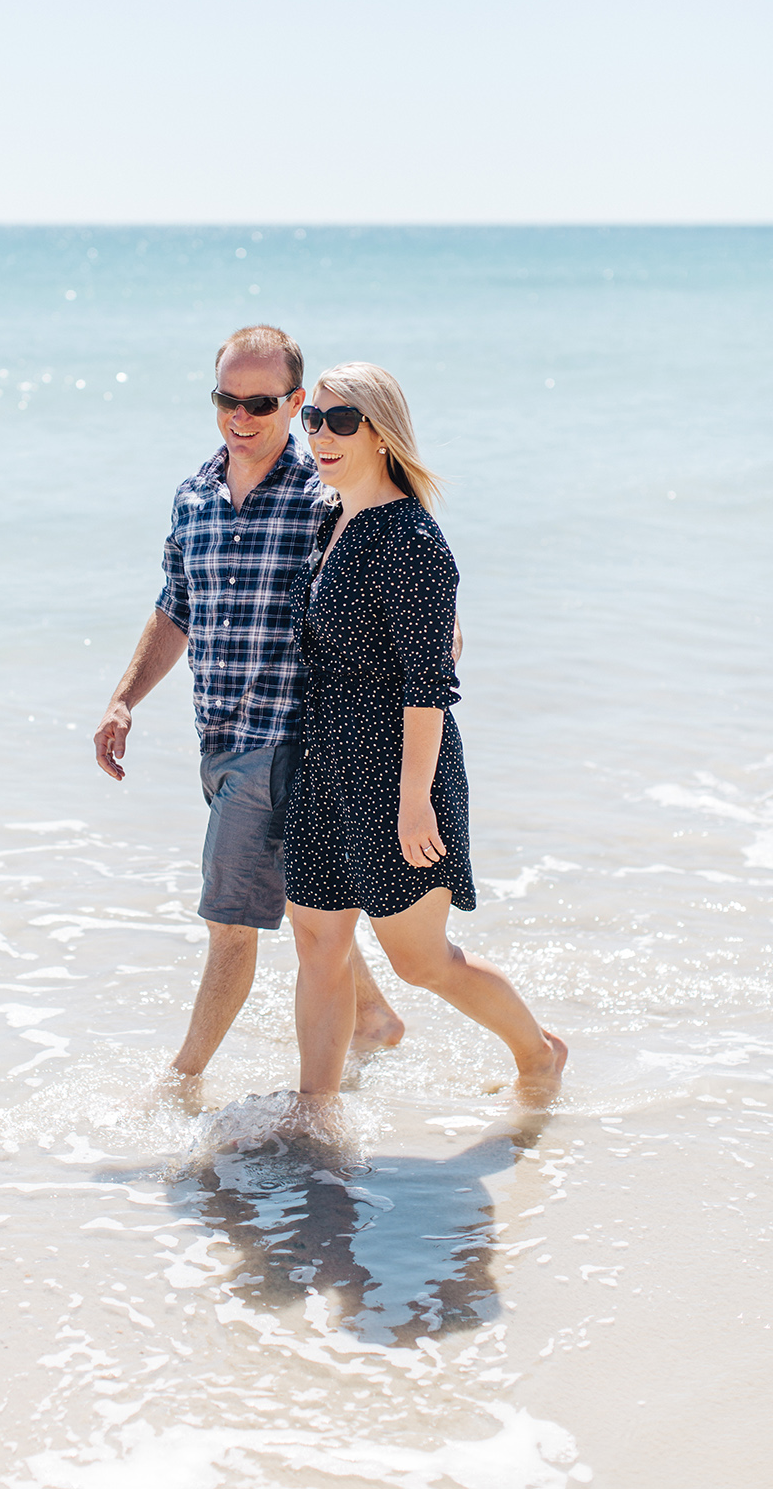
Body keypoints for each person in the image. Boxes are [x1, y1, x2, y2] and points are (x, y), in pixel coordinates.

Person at [93, 326, 405, 1080]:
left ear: (296, 403)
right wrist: (125, 697)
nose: (241, 416)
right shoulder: (193, 495)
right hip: (219, 741)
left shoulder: (323, 497)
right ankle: (371, 1016)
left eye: (261, 403)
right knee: (310, 910)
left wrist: (433, 639)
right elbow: (176, 607)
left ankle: (181, 1080)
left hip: (287, 744)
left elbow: (396, 560)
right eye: (226, 399)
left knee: (231, 923)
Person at [284, 362, 567, 1105]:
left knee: (421, 962)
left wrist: (415, 800)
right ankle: (315, 1114)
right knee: (317, 941)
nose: (322, 435)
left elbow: (429, 686)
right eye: (313, 419)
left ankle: (539, 1055)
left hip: (393, 771)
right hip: (323, 765)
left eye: (341, 421)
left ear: (381, 433)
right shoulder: (327, 516)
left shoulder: (409, 538)